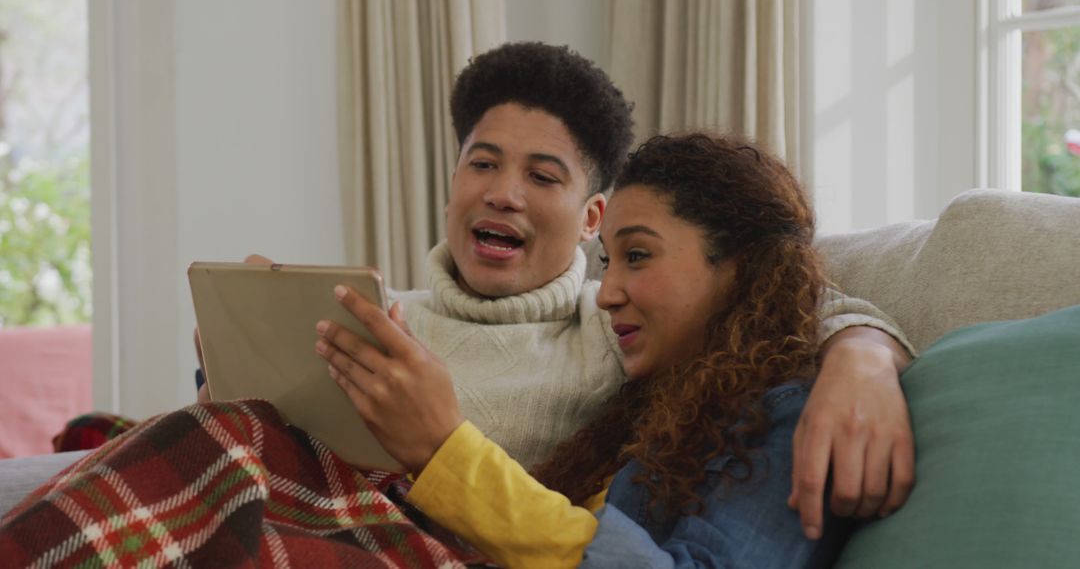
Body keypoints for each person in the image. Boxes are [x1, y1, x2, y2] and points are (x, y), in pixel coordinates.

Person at [207, 42, 915, 537]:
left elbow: (782, 297)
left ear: (590, 219)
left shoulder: (617, 329)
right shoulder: (381, 323)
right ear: (453, 181)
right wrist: (246, 355)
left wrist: (865, 356)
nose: (503, 194)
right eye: (481, 164)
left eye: (543, 177)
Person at [315, 132, 859, 566]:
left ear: (739, 269)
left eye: (638, 256)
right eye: (607, 264)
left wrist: (445, 449)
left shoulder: (789, 420)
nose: (608, 293)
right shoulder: (655, 408)